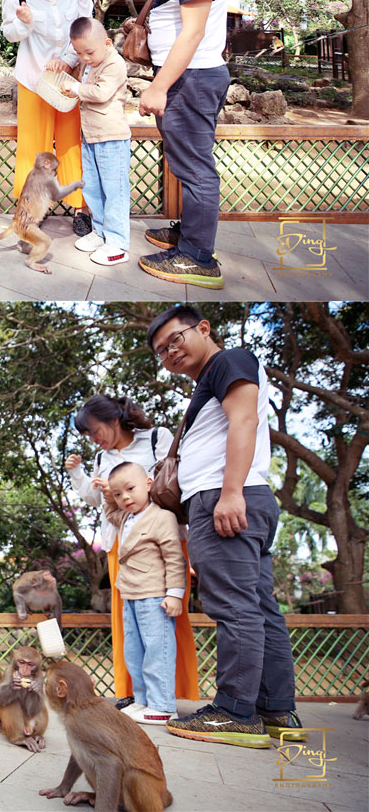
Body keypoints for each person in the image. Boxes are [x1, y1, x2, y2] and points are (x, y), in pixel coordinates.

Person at [147, 305, 302, 747]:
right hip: (236, 496)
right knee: (257, 605)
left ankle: (234, 713)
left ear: (203, 328)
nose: (170, 352)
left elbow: (245, 420)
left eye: (175, 339)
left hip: (226, 497)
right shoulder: (211, 379)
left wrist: (231, 491)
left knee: (234, 607)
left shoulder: (228, 360)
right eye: (161, 351)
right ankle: (273, 709)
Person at [110, 0, 230, 289]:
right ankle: (189, 235)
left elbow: (193, 33)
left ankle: (198, 258)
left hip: (191, 78)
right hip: (183, 76)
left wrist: (159, 88)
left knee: (195, 169)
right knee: (184, 162)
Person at [66, 394, 198, 708]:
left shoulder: (156, 438)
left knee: (171, 616)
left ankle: (173, 694)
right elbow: (94, 499)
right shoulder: (101, 458)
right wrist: (80, 475)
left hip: (162, 540)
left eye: (95, 430)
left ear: (113, 419)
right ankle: (133, 694)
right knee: (127, 624)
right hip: (121, 546)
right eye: (88, 435)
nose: (93, 439)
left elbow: (177, 479)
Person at [1, 0, 91, 233]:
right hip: (33, 79)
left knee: (71, 143)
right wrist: (24, 24)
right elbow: (9, 33)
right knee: (33, 148)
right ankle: (30, 211)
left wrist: (68, 59)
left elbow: (86, 25)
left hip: (67, 80)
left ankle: (80, 208)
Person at [104, 461, 187, 725]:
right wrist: (108, 495)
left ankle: (163, 705)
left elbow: (174, 558)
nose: (125, 498)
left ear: (148, 484)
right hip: (129, 594)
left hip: (154, 596)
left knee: (157, 650)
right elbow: (110, 511)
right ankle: (143, 700)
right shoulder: (125, 517)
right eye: (118, 494)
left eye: (130, 489)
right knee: (134, 651)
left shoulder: (162, 517)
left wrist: (175, 593)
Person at [61, 17, 131, 266]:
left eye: (89, 52)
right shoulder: (88, 63)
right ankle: (100, 232)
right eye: (79, 53)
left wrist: (76, 89)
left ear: (107, 43)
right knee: (93, 188)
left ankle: (118, 243)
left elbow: (101, 93)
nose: (85, 58)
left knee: (114, 190)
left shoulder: (114, 63)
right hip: (90, 136)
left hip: (111, 138)